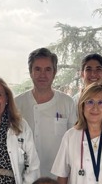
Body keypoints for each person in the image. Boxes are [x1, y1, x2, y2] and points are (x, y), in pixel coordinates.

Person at [15, 48, 77, 177]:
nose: (42, 75)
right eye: (37, 69)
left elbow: (74, 142)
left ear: (54, 72)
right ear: (30, 72)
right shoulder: (17, 103)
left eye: (48, 69)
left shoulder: (67, 102)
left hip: (58, 176)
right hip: (24, 176)